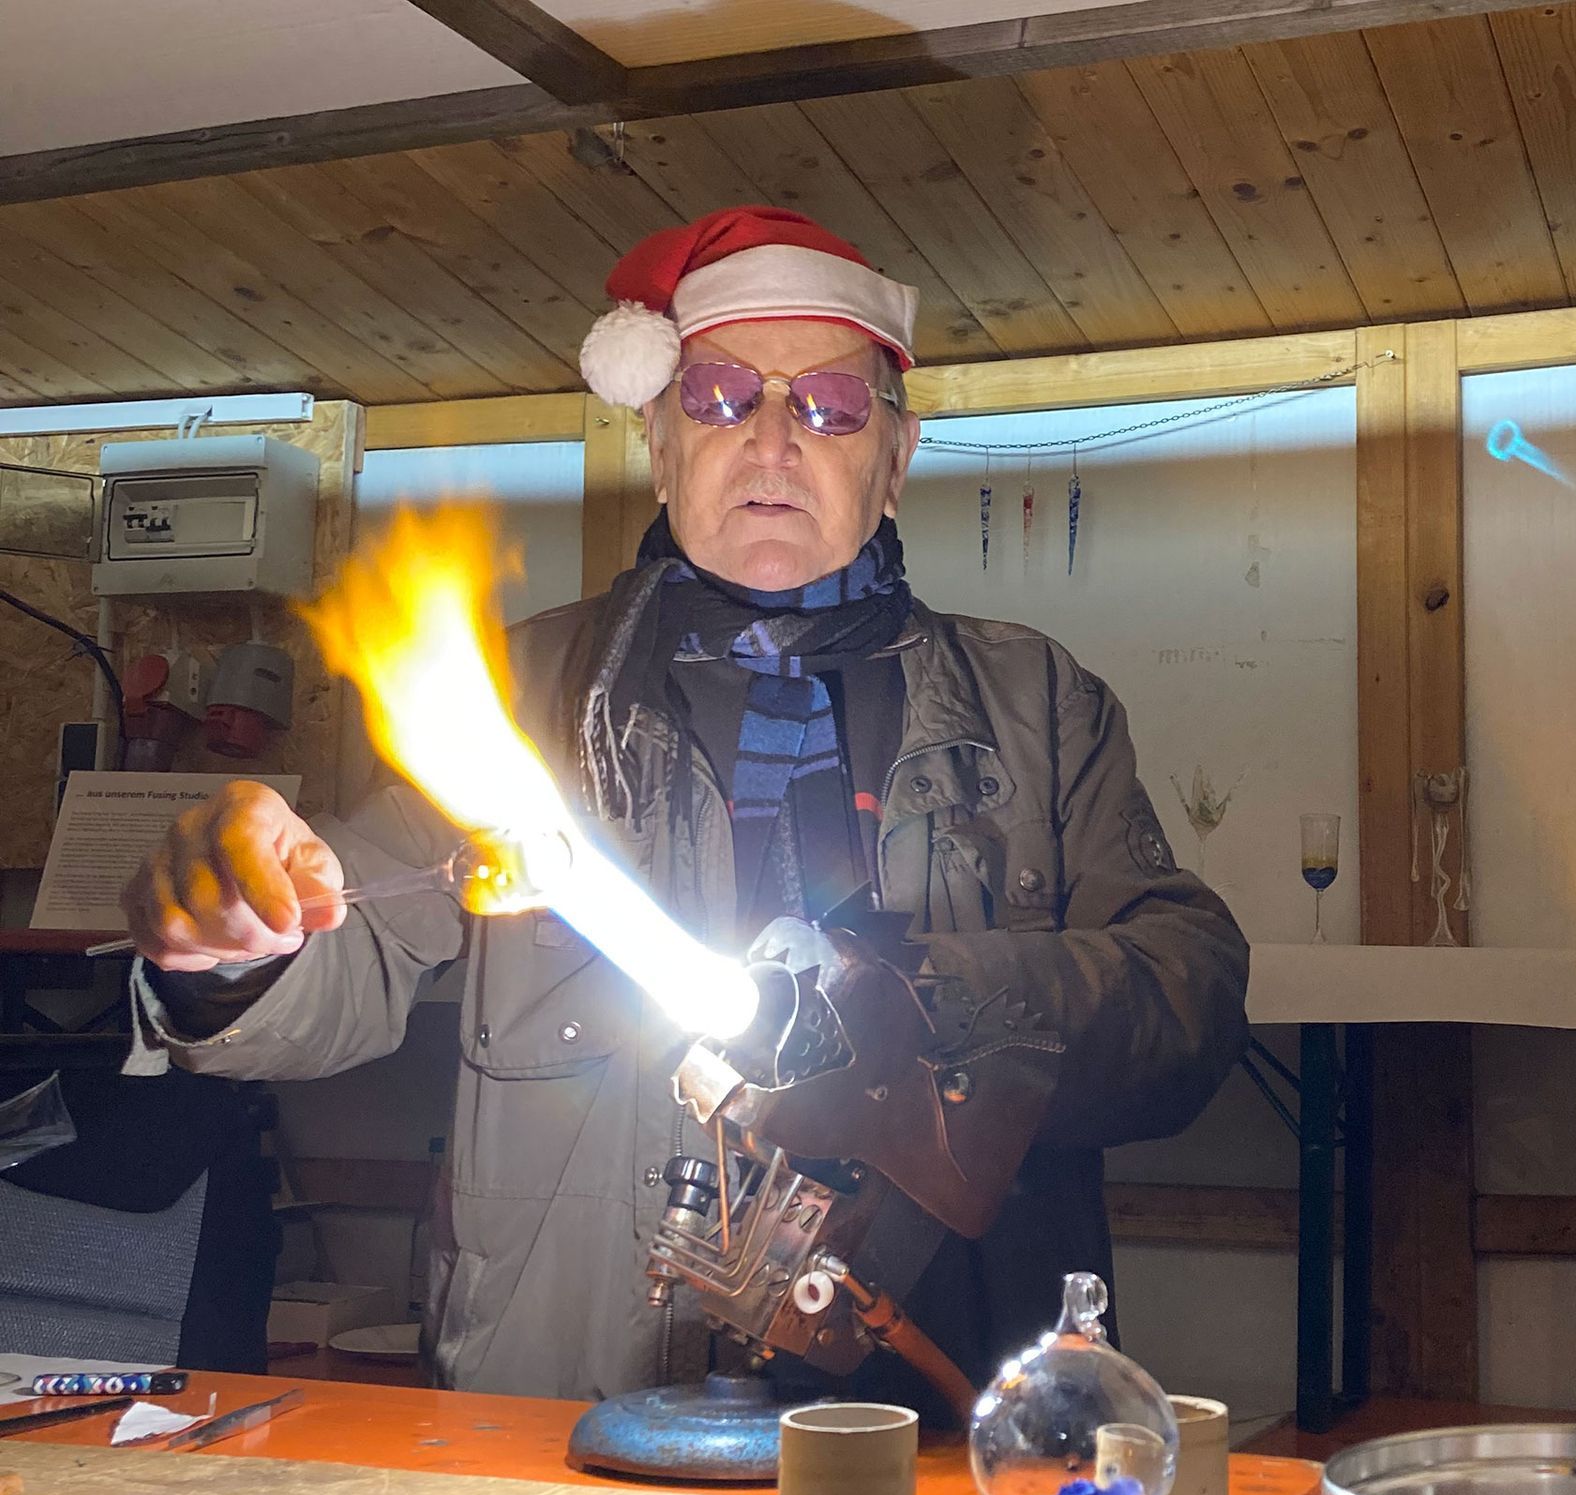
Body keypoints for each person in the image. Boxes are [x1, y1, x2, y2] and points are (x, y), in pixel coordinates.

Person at [121, 206, 1250, 1407]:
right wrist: (228, 951)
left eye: (829, 404)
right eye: (717, 396)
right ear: (658, 442)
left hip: (945, 1391)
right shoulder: (519, 698)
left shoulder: (1041, 703)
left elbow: (1186, 993)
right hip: (580, 1394)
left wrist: (934, 999)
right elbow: (354, 954)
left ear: (898, 455)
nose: (771, 440)